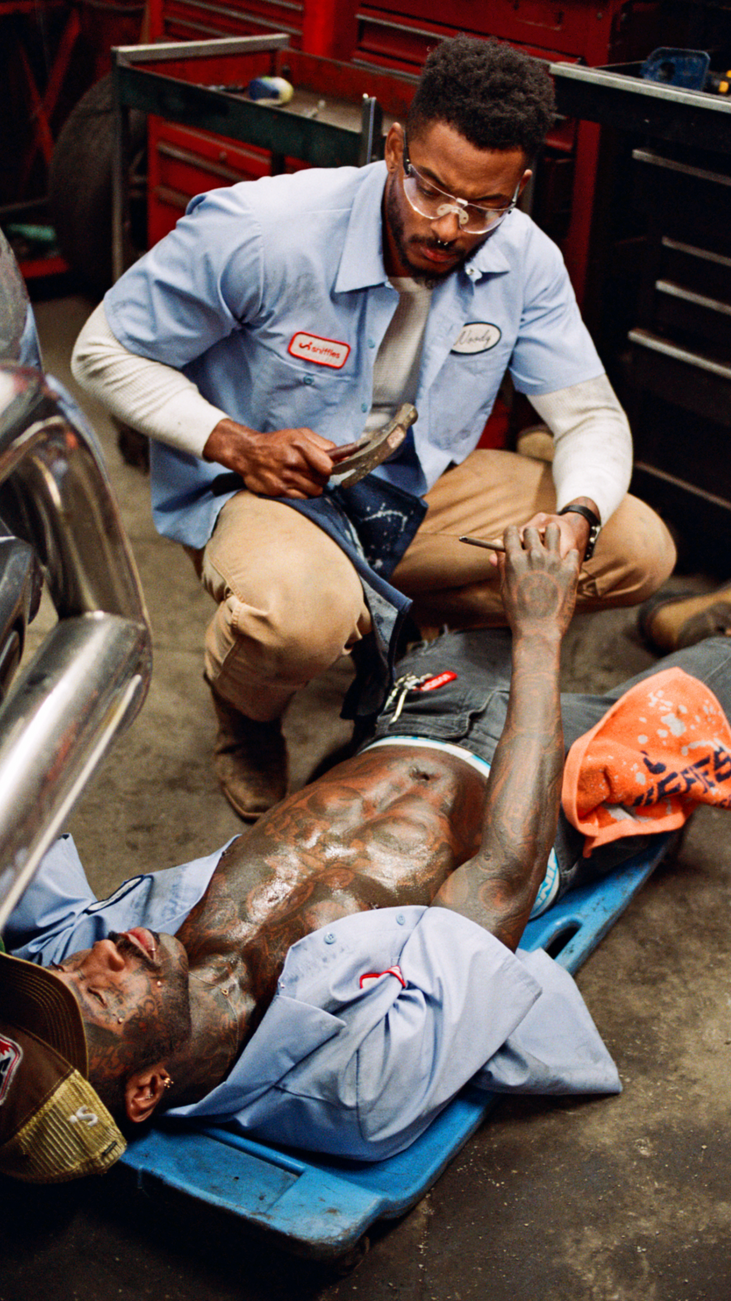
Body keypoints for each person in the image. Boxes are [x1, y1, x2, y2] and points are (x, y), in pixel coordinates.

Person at [3, 523, 731, 1184]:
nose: (101, 956)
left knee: (527, 559)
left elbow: (18, 825)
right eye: (100, 995)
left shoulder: (79, 956)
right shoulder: (358, 1084)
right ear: (146, 1088)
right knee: (730, 671)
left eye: (65, 973)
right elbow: (502, 874)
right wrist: (540, 634)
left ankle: (669, 615)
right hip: (553, 787)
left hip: (417, 712)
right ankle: (717, 627)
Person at [71, 36, 676, 821]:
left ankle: (405, 625)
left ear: (519, 187)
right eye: (431, 190)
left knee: (634, 546)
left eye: (484, 207)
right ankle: (247, 716)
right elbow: (101, 350)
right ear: (395, 150)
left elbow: (589, 414)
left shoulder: (525, 259)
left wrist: (578, 515)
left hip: (409, 494)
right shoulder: (266, 231)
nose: (450, 226)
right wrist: (233, 442)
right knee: (301, 619)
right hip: (269, 490)